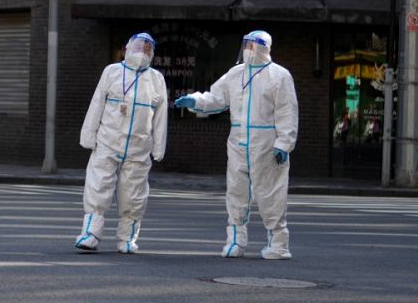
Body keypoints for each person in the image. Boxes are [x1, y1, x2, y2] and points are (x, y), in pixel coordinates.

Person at [172, 30, 298, 260]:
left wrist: (284, 142)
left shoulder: (279, 76)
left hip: (266, 142)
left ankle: (278, 243)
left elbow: (287, 111)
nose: (248, 49)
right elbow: (217, 98)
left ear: (263, 47)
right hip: (238, 140)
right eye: (246, 44)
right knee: (236, 191)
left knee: (271, 192)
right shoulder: (235, 74)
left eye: (252, 45)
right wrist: (196, 101)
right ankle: (235, 241)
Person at [74, 32, 169, 254]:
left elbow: (161, 115)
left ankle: (127, 238)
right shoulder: (112, 72)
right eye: (138, 46)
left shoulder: (156, 78)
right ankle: (90, 234)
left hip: (139, 146)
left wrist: (158, 147)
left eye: (147, 49)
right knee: (98, 186)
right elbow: (97, 102)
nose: (142, 52)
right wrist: (89, 135)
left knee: (133, 195)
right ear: (127, 48)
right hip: (108, 141)